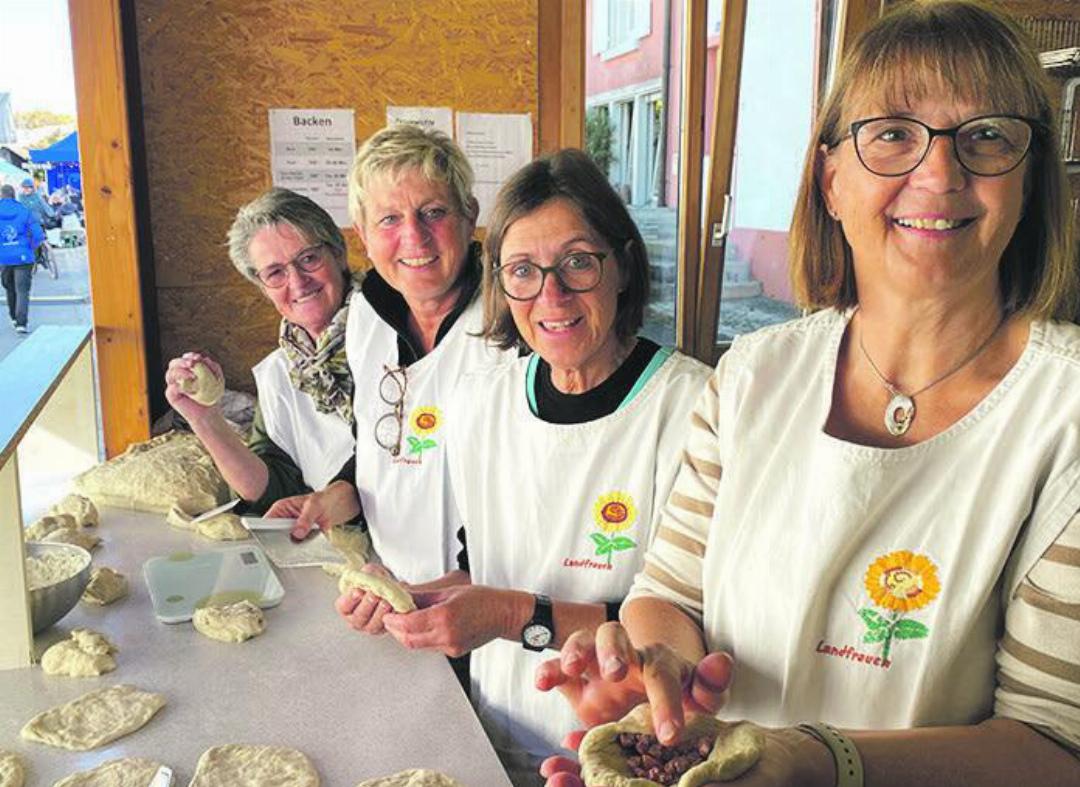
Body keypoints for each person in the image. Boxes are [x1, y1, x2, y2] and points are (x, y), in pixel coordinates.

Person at [538, 3, 1080, 786]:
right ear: (831, 179)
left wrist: (823, 760)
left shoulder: (1062, 415)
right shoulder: (753, 375)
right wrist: (663, 679)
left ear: (1028, 183)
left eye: (987, 136)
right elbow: (668, 594)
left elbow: (1054, 747)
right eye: (892, 133)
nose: (939, 172)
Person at [359, 150, 709, 783]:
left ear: (623, 265)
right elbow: (481, 560)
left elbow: (695, 623)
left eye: (577, 261)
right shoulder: (480, 401)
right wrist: (421, 600)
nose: (551, 294)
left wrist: (504, 615)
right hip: (491, 733)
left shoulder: (693, 409)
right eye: (523, 270)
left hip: (630, 752)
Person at [280, 125, 515, 589]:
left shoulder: (511, 319)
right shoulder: (367, 311)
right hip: (389, 583)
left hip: (484, 600)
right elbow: (378, 442)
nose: (414, 237)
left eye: (433, 212)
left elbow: (529, 491)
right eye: (389, 219)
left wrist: (459, 586)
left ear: (470, 215)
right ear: (362, 235)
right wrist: (335, 496)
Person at [164, 188, 358, 513]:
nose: (297, 282)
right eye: (275, 273)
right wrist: (206, 419)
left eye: (308, 259)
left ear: (338, 254)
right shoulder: (282, 371)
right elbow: (273, 490)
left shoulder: (396, 335)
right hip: (341, 548)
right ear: (263, 287)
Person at [0, 183, 45, 335]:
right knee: (22, 290)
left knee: (9, 287)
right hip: (23, 256)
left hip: (4, 258)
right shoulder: (24, 211)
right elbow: (38, 235)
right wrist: (30, 247)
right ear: (14, 195)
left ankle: (13, 317)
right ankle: (21, 323)